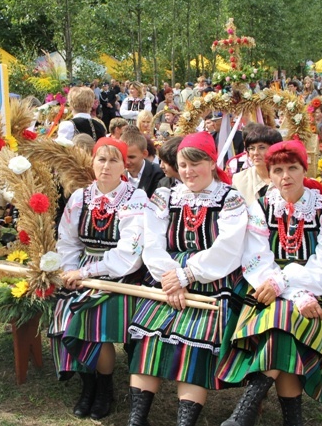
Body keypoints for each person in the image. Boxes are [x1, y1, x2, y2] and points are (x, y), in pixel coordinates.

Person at [218, 139, 322, 426]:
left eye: (292, 168)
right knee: (284, 324)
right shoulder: (261, 207)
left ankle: (246, 410)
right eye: (278, 170)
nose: (285, 176)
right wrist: (286, 290)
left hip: (319, 288)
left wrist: (288, 284)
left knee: (282, 323)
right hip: (266, 284)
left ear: (304, 169)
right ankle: (292, 419)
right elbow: (255, 258)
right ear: (269, 174)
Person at [126, 132, 248, 426]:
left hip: (211, 278)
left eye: (196, 164)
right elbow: (152, 243)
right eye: (182, 165)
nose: (189, 171)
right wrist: (170, 277)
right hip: (166, 274)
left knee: (194, 345)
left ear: (211, 162)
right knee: (150, 340)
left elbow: (229, 248)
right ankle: (136, 419)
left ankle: (185, 422)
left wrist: (186, 275)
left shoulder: (230, 199)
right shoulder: (166, 195)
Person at [48, 138, 147, 420]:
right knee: (64, 313)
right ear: (92, 162)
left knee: (92, 319)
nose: (106, 166)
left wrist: (87, 272)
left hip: (120, 276)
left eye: (114, 160)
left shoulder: (134, 198)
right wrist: (69, 271)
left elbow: (130, 253)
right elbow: (67, 241)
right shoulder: (80, 197)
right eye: (101, 159)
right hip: (80, 271)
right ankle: (87, 384)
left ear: (123, 165)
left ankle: (104, 388)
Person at [231, 125, 283, 206]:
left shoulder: (287, 176)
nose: (255, 153)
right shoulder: (240, 179)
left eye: (261, 148)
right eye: (251, 148)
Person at [120, 126, 164, 198]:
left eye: (131, 157)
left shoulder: (157, 173)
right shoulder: (117, 173)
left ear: (144, 154)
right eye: (123, 157)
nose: (127, 162)